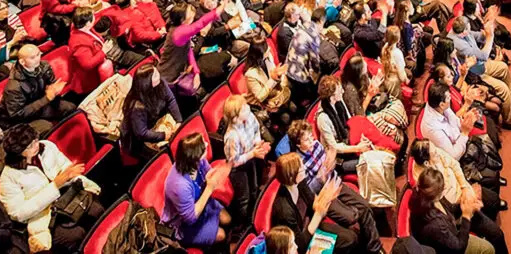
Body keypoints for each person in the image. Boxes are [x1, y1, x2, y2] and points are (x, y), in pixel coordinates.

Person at [0, 123, 102, 254]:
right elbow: (18, 213)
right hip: (45, 216)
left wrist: (70, 177)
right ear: (18, 152)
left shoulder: (46, 146)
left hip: (68, 196)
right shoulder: (9, 177)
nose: (36, 145)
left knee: (97, 209)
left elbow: (65, 166)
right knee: (75, 235)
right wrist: (54, 186)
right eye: (29, 146)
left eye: (35, 140)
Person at [270, 152, 384, 254]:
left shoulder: (299, 183)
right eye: (301, 168)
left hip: (312, 222)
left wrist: (325, 199)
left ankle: (371, 249)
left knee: (355, 216)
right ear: (291, 176)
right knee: (349, 239)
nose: (304, 168)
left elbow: (312, 202)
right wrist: (319, 213)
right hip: (306, 235)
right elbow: (300, 245)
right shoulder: (284, 211)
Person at [161, 132, 232, 248]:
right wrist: (209, 188)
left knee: (227, 219)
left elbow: (209, 174)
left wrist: (230, 164)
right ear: (194, 158)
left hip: (202, 202)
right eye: (203, 147)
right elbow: (190, 218)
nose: (207, 144)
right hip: (183, 224)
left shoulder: (198, 162)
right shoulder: (179, 185)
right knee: (222, 235)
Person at [410, 168, 496, 254]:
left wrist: (465, 204)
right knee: (488, 249)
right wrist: (466, 216)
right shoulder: (435, 225)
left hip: (449, 231)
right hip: (447, 246)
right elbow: (459, 248)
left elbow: (449, 210)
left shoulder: (424, 198)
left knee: (489, 227)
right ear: (438, 193)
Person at [0, 44, 73, 134]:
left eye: (38, 54)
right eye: (33, 57)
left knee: (70, 108)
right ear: (22, 62)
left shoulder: (44, 66)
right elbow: (17, 115)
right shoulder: (14, 86)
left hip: (40, 104)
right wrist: (46, 99)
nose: (38, 59)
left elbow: (51, 84)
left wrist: (55, 90)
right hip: (22, 119)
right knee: (46, 126)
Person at [222, 94, 271, 224]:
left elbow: (256, 130)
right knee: (244, 198)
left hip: (251, 157)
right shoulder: (232, 136)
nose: (248, 108)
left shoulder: (250, 117)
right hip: (238, 168)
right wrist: (253, 154)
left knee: (254, 187)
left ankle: (254, 216)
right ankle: (243, 224)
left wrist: (257, 142)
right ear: (235, 117)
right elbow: (234, 161)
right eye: (243, 108)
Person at [119, 63, 181, 158]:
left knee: (180, 138)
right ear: (147, 83)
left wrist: (178, 121)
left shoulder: (160, 83)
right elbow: (142, 133)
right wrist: (163, 135)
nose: (158, 75)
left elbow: (170, 99)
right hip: (140, 140)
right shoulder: (138, 106)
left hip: (157, 122)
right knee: (168, 154)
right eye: (155, 75)